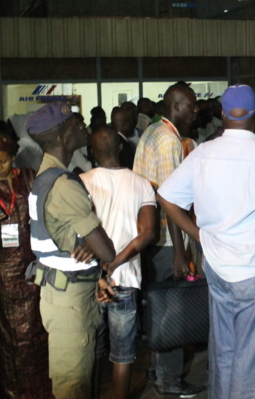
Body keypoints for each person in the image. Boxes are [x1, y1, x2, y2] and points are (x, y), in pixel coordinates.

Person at [157, 84, 255, 398]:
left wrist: (197, 234)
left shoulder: (202, 153)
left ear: (224, 114)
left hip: (217, 265)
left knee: (224, 352)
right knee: (251, 361)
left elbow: (167, 197)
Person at [25, 101, 116, 399]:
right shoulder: (64, 184)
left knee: (76, 381)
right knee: (72, 387)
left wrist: (84, 246)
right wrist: (92, 245)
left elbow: (64, 236)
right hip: (70, 302)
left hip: (65, 290)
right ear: (63, 137)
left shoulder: (45, 177)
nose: (84, 128)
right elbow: (107, 250)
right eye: (77, 125)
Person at [133, 81, 203, 397]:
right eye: (192, 104)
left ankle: (157, 370)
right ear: (176, 106)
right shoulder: (167, 141)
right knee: (173, 310)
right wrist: (180, 251)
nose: (196, 109)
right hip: (164, 240)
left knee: (157, 308)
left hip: (152, 238)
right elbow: (169, 199)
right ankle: (169, 381)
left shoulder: (153, 133)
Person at [0, 132, 50, 398]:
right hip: (2, 269)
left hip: (30, 263)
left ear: (12, 158)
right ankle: (13, 389)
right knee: (9, 335)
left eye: (3, 162)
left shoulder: (28, 178)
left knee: (35, 329)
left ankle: (40, 387)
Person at [80, 127, 156, 399]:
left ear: (91, 152)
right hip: (126, 277)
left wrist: (104, 264)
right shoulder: (141, 183)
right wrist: (116, 262)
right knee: (123, 354)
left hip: (91, 278)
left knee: (93, 350)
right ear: (121, 148)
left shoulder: (81, 182)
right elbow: (148, 232)